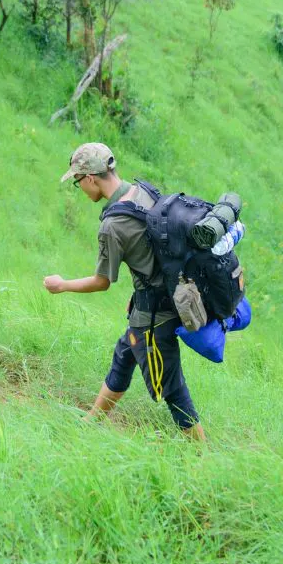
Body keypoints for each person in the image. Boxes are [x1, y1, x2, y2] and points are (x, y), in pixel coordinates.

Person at [43, 142, 206, 441]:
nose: (80, 188)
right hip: (170, 295)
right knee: (125, 353)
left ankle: (202, 456)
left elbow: (102, 281)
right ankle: (90, 423)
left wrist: (62, 285)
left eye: (78, 181)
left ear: (91, 178)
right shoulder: (142, 190)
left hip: (155, 315)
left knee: (171, 388)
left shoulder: (113, 224)